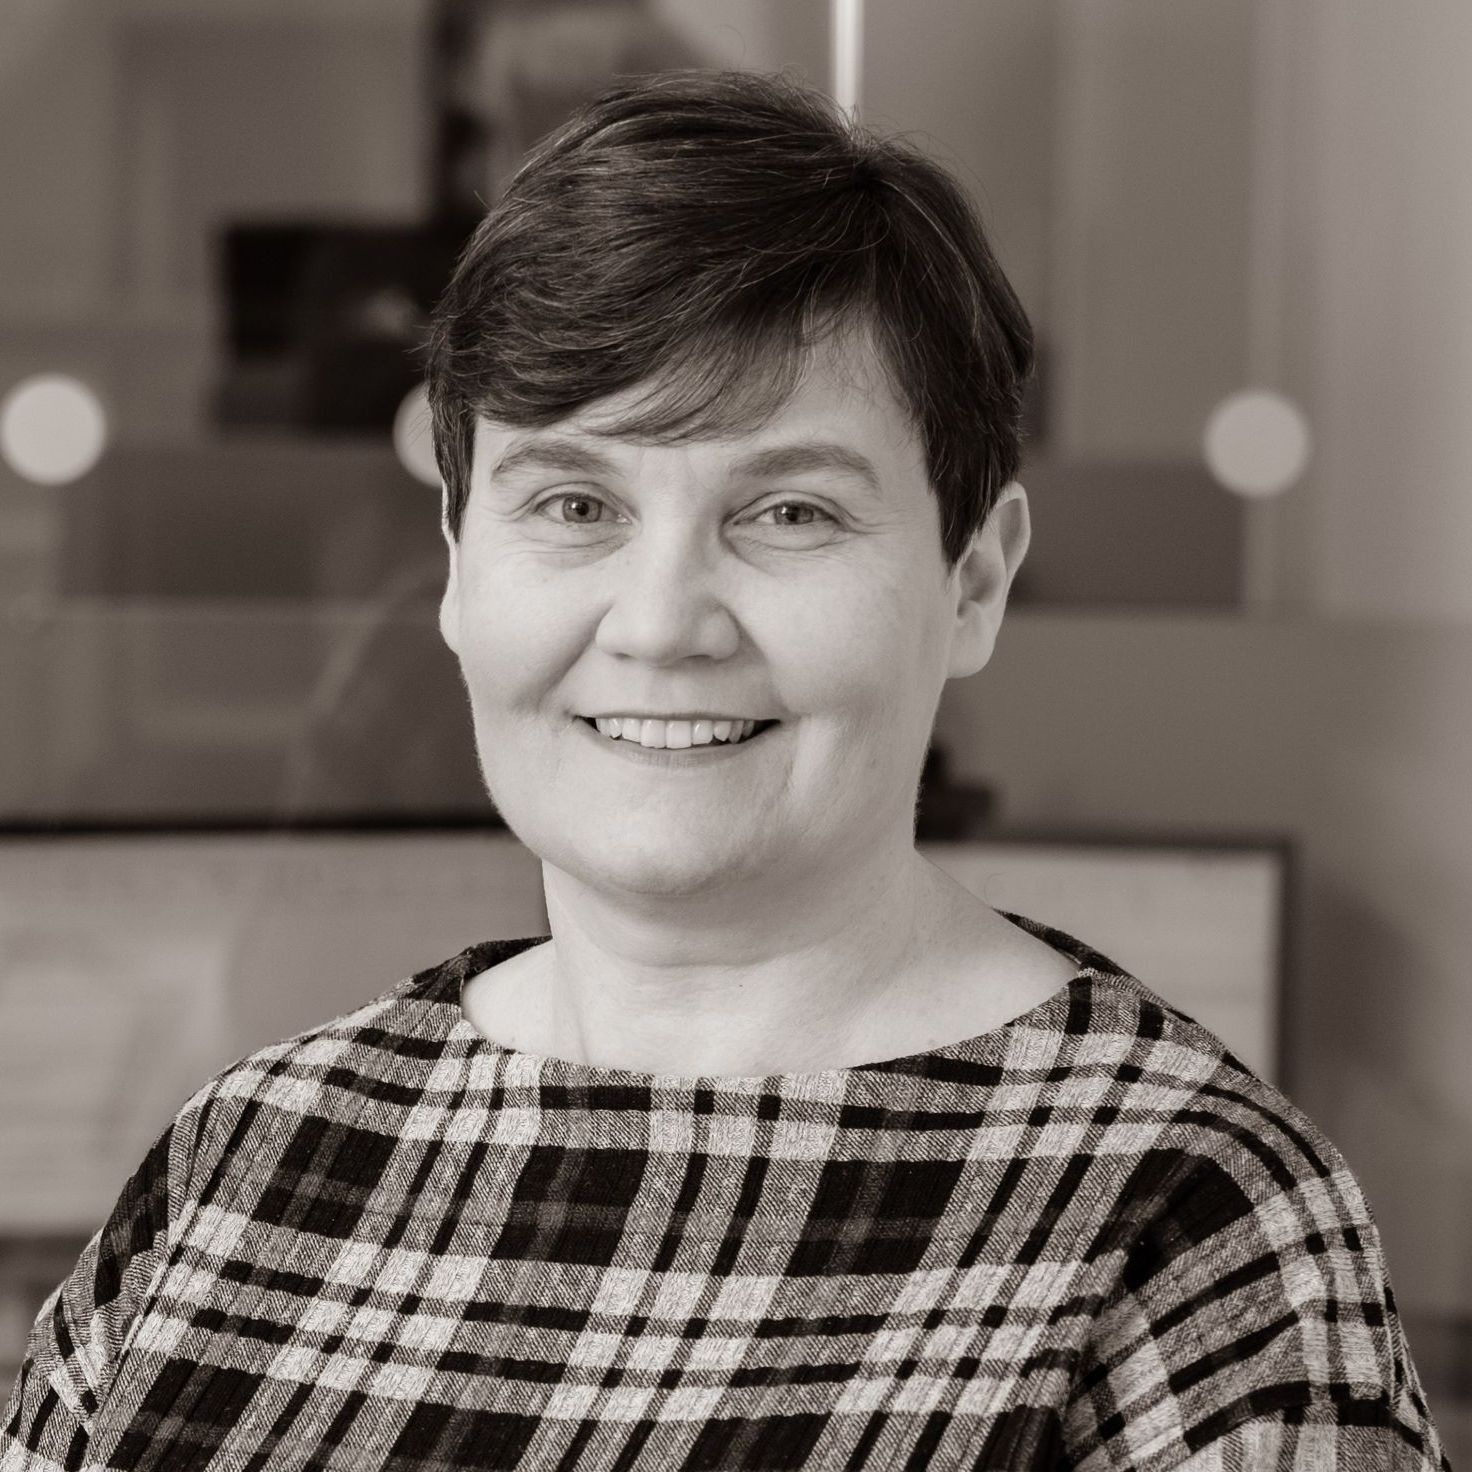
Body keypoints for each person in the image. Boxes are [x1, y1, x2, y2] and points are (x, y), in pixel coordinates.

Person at [2, 69, 1449, 1471]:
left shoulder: (1192, 1222)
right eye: (574, 502)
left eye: (791, 513)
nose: (660, 625)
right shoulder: (250, 1160)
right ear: (453, 566)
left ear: (976, 582)